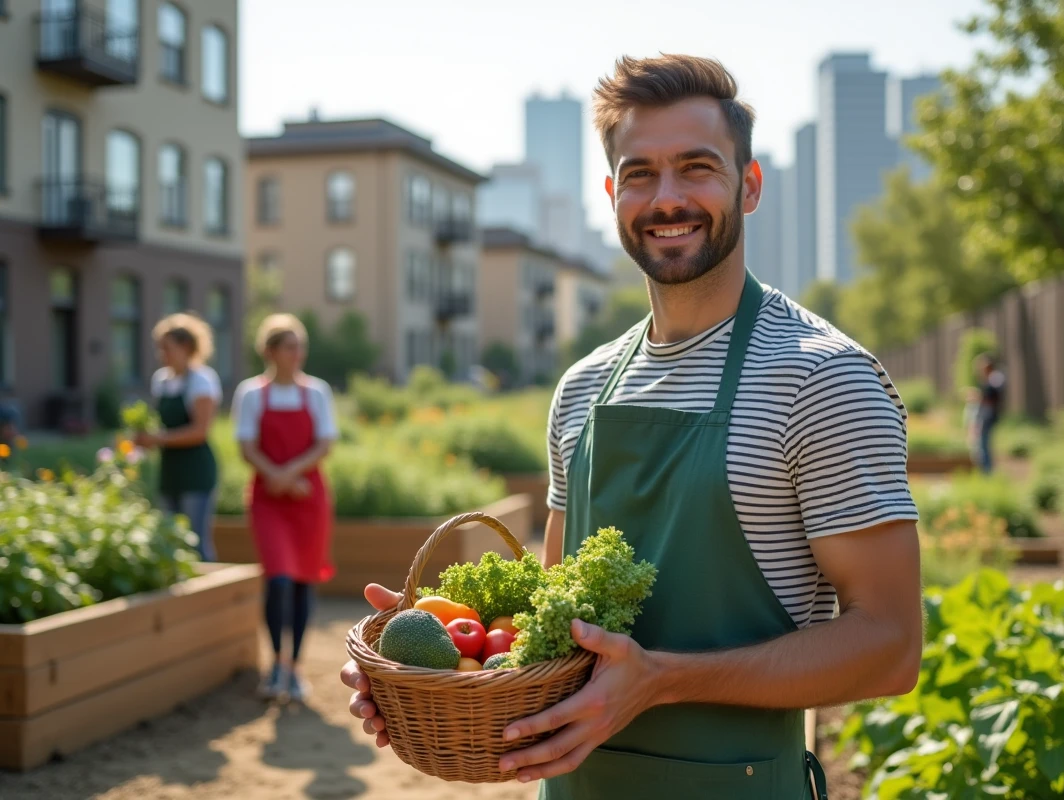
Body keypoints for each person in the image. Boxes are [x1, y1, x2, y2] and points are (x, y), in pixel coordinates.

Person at [342, 54, 923, 798]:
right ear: (613, 194)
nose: (667, 197)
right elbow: (549, 622)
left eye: (697, 167)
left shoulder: (821, 378)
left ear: (748, 186)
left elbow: (890, 646)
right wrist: (428, 659)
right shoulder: (582, 388)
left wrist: (660, 682)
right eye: (640, 173)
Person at [232, 313, 338, 704]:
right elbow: (246, 446)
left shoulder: (316, 392)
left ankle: (295, 667)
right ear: (270, 351)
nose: (298, 354)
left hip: (308, 500)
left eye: (300, 346)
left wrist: (290, 474)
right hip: (268, 501)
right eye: (290, 346)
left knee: (303, 582)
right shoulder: (250, 394)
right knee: (277, 579)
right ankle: (276, 662)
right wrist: (275, 477)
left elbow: (325, 443)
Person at [136, 313, 222, 562]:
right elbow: (160, 424)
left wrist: (157, 439)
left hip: (195, 471)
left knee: (197, 542)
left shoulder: (201, 380)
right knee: (171, 541)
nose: (161, 353)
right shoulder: (162, 380)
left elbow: (199, 431)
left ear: (185, 347)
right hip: (170, 470)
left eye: (167, 347)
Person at [968, 353, 1006, 473]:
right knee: (982, 442)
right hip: (987, 414)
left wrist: (978, 397)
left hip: (988, 415)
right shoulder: (991, 378)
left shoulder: (995, 378)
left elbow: (991, 396)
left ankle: (987, 470)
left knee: (984, 442)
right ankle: (985, 469)